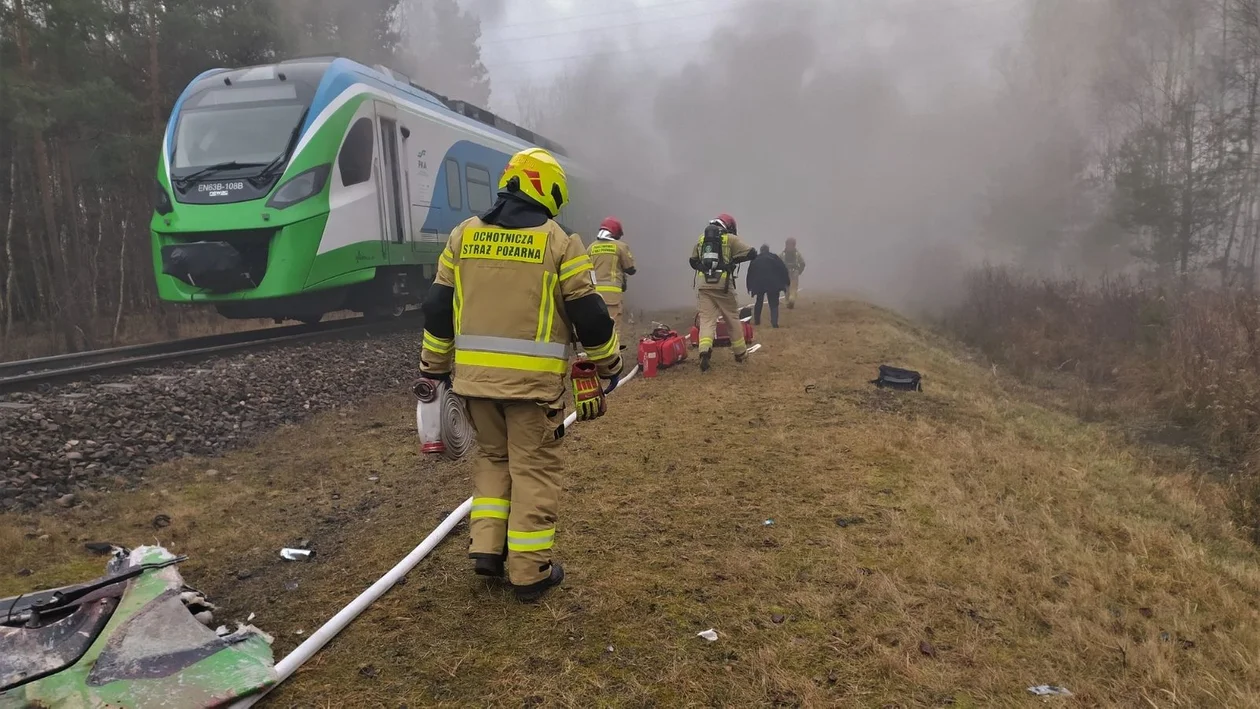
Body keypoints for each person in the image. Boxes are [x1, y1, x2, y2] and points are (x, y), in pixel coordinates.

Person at [418, 147, 622, 602]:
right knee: (533, 470)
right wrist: (609, 364)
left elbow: (437, 309)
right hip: (533, 392)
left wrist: (433, 369)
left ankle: (487, 551)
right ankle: (530, 573)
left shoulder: (462, 236)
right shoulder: (560, 241)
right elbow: (589, 316)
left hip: (474, 387)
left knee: (493, 461)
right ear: (548, 191)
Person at [688, 213, 757, 372]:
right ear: (729, 226)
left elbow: (692, 261)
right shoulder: (730, 239)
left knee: (706, 320)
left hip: (704, 285)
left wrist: (703, 268)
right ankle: (740, 353)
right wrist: (732, 261)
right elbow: (752, 253)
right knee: (732, 318)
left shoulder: (701, 240)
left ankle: (704, 350)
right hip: (723, 285)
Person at [587, 217, 636, 349]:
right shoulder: (620, 247)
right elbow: (630, 269)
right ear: (615, 233)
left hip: (593, 295)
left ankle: (598, 357)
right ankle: (613, 359)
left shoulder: (591, 247)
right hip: (612, 295)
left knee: (597, 327)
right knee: (613, 328)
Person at [746, 244, 790, 328]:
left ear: (761, 250)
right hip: (773, 283)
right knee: (774, 303)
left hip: (759, 283)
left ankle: (757, 321)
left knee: (759, 301)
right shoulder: (775, 258)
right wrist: (786, 282)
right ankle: (774, 323)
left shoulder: (756, 259)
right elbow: (783, 270)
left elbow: (750, 273)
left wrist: (749, 286)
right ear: (768, 250)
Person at [782, 237, 806, 309]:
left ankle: (788, 301)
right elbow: (802, 263)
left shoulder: (782, 254)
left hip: (786, 273)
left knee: (787, 288)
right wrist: (799, 271)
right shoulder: (797, 254)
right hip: (794, 272)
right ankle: (791, 300)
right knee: (793, 289)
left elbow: (778, 263)